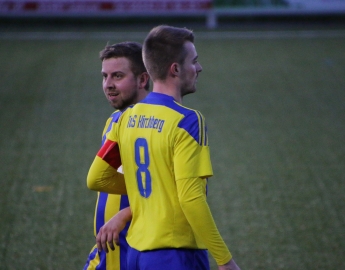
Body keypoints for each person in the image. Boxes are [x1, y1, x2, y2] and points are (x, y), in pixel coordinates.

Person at [87, 25, 240, 270]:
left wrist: (138, 198)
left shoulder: (123, 119)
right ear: (175, 69)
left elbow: (96, 178)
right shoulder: (187, 120)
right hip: (175, 253)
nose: (199, 68)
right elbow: (191, 198)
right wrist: (224, 261)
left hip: (136, 253)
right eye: (195, 61)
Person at [83, 41, 150, 270]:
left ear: (143, 79)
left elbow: (172, 191)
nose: (108, 85)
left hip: (137, 254)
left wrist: (124, 214)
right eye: (105, 76)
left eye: (118, 76)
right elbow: (122, 177)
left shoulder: (158, 125)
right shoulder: (114, 122)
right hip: (107, 253)